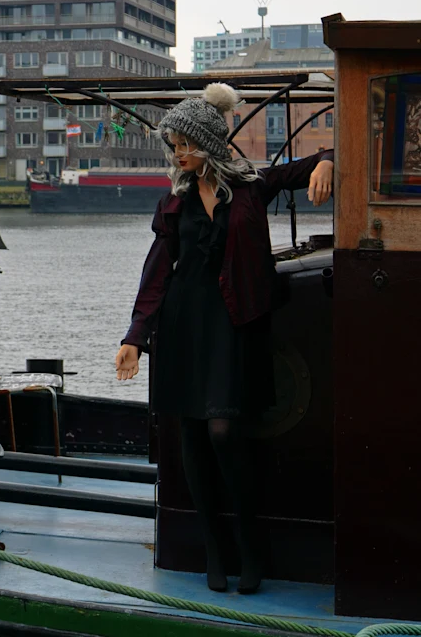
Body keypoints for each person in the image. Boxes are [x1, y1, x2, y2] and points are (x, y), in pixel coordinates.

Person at [114, 83, 333, 595]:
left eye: (184, 144)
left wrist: (326, 160)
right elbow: (158, 272)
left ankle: (249, 545)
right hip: (184, 325)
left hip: (235, 323)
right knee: (192, 435)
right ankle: (214, 548)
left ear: (209, 140)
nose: (178, 155)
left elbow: (312, 163)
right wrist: (135, 336)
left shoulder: (254, 185)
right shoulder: (174, 200)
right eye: (173, 147)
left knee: (224, 432)